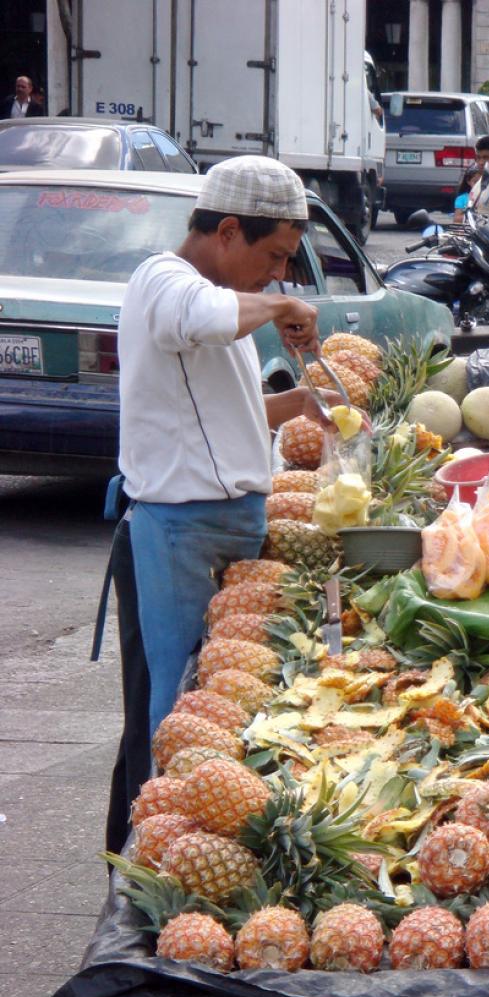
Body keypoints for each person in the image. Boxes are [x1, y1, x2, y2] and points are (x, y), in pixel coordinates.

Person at [105, 155, 348, 853]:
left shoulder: (214, 304)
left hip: (225, 530)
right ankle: (151, 859)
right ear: (228, 231)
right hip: (178, 536)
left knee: (219, 704)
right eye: (273, 257)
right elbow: (204, 318)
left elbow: (222, 412)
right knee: (177, 710)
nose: (276, 274)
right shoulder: (165, 282)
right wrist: (281, 307)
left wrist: (296, 404)